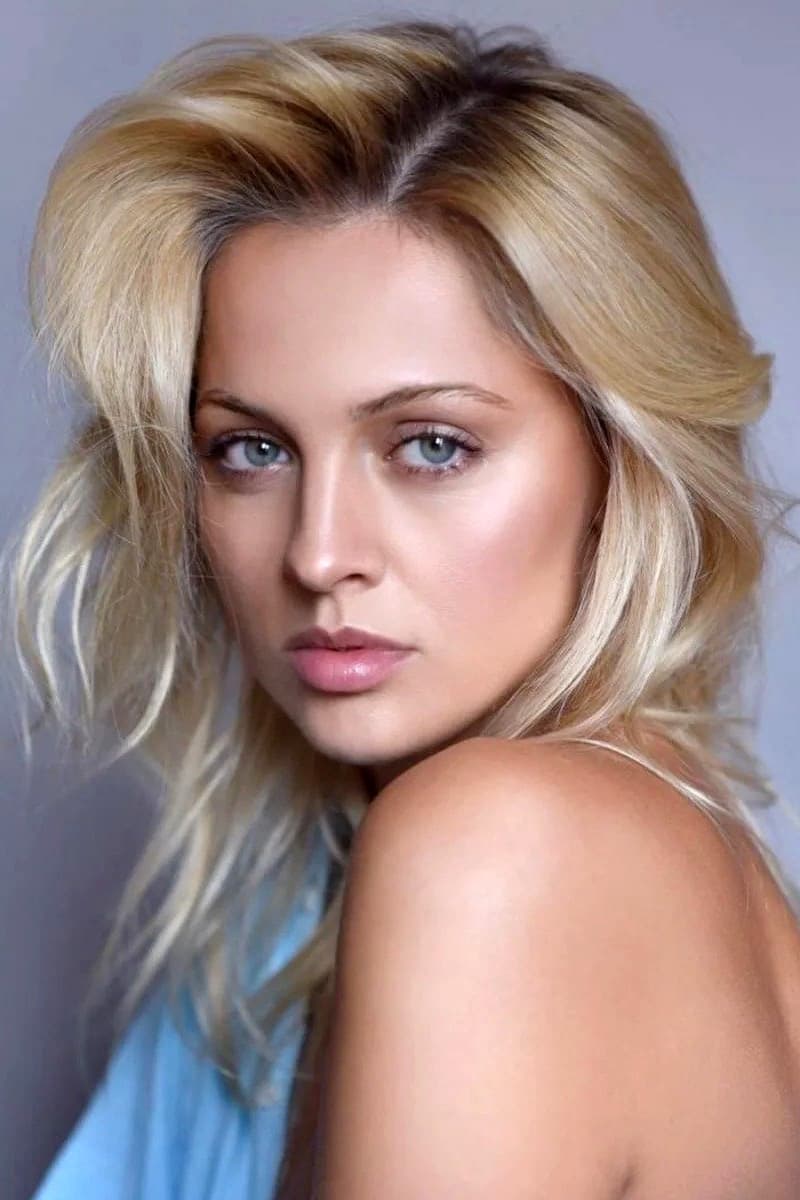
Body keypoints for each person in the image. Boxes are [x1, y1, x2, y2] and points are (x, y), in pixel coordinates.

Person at [6, 16, 800, 1199]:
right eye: (251, 450)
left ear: (618, 465)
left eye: (430, 445)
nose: (319, 554)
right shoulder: (327, 902)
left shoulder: (496, 849)